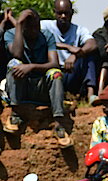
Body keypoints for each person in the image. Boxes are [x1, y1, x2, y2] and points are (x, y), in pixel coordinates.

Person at [3, 8, 71, 147]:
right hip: (22, 89)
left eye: (36, 27)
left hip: (41, 89)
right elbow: (16, 54)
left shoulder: (47, 36)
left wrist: (31, 67)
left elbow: (54, 63)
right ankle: (16, 114)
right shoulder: (10, 34)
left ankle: (59, 123)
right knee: (14, 64)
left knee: (55, 73)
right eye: (30, 28)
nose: (34, 31)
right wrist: (19, 25)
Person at [41, 0, 97, 100]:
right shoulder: (45, 26)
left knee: (89, 55)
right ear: (54, 12)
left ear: (72, 13)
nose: (63, 16)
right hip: (52, 71)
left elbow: (92, 44)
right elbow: (36, 39)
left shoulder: (79, 30)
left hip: (71, 72)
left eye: (66, 13)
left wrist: (75, 55)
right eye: (60, 13)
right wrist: (67, 47)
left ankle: (91, 95)